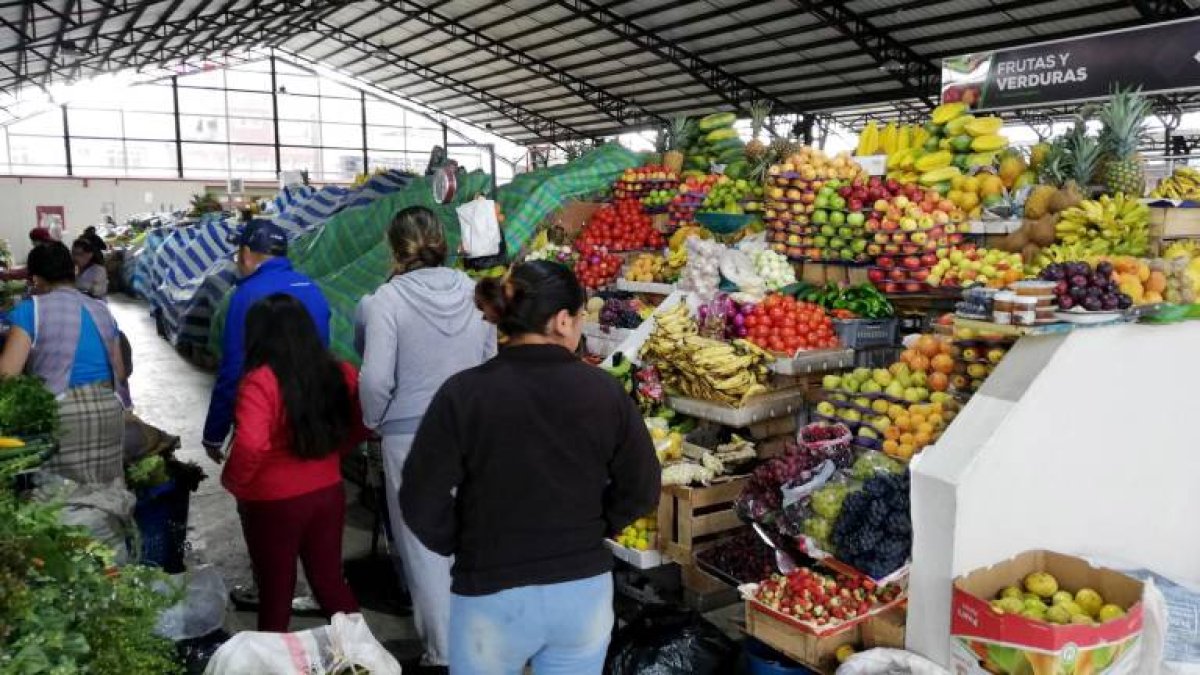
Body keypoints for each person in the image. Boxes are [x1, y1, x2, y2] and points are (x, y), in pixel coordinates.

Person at [401, 261, 660, 675]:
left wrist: (461, 542)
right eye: (580, 317)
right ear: (562, 321)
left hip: (490, 592)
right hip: (580, 594)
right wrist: (596, 527)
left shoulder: (463, 393)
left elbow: (419, 496)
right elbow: (642, 488)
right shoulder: (604, 392)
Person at [354, 206, 496, 668]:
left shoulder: (385, 301)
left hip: (411, 440)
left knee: (426, 551)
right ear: (444, 241)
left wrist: (374, 420)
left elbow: (376, 378)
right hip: (472, 434)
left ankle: (444, 655)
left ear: (394, 248)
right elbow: (491, 359)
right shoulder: (475, 292)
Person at [223, 293, 366, 632]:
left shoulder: (260, 381)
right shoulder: (339, 371)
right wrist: (334, 454)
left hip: (272, 503)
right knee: (329, 582)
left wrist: (235, 481)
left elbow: (251, 444)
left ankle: (273, 657)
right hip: (328, 492)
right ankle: (362, 654)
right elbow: (362, 423)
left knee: (276, 591)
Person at [202, 218, 330, 463]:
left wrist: (214, 434)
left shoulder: (246, 294)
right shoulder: (311, 288)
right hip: (310, 417)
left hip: (264, 415)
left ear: (246, 253)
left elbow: (233, 368)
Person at [0, 242, 127, 485]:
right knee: (105, 492)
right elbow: (120, 372)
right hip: (109, 413)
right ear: (74, 271)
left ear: (36, 279)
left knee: (59, 497)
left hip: (61, 417)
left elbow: (7, 375)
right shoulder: (102, 309)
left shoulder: (30, 310)